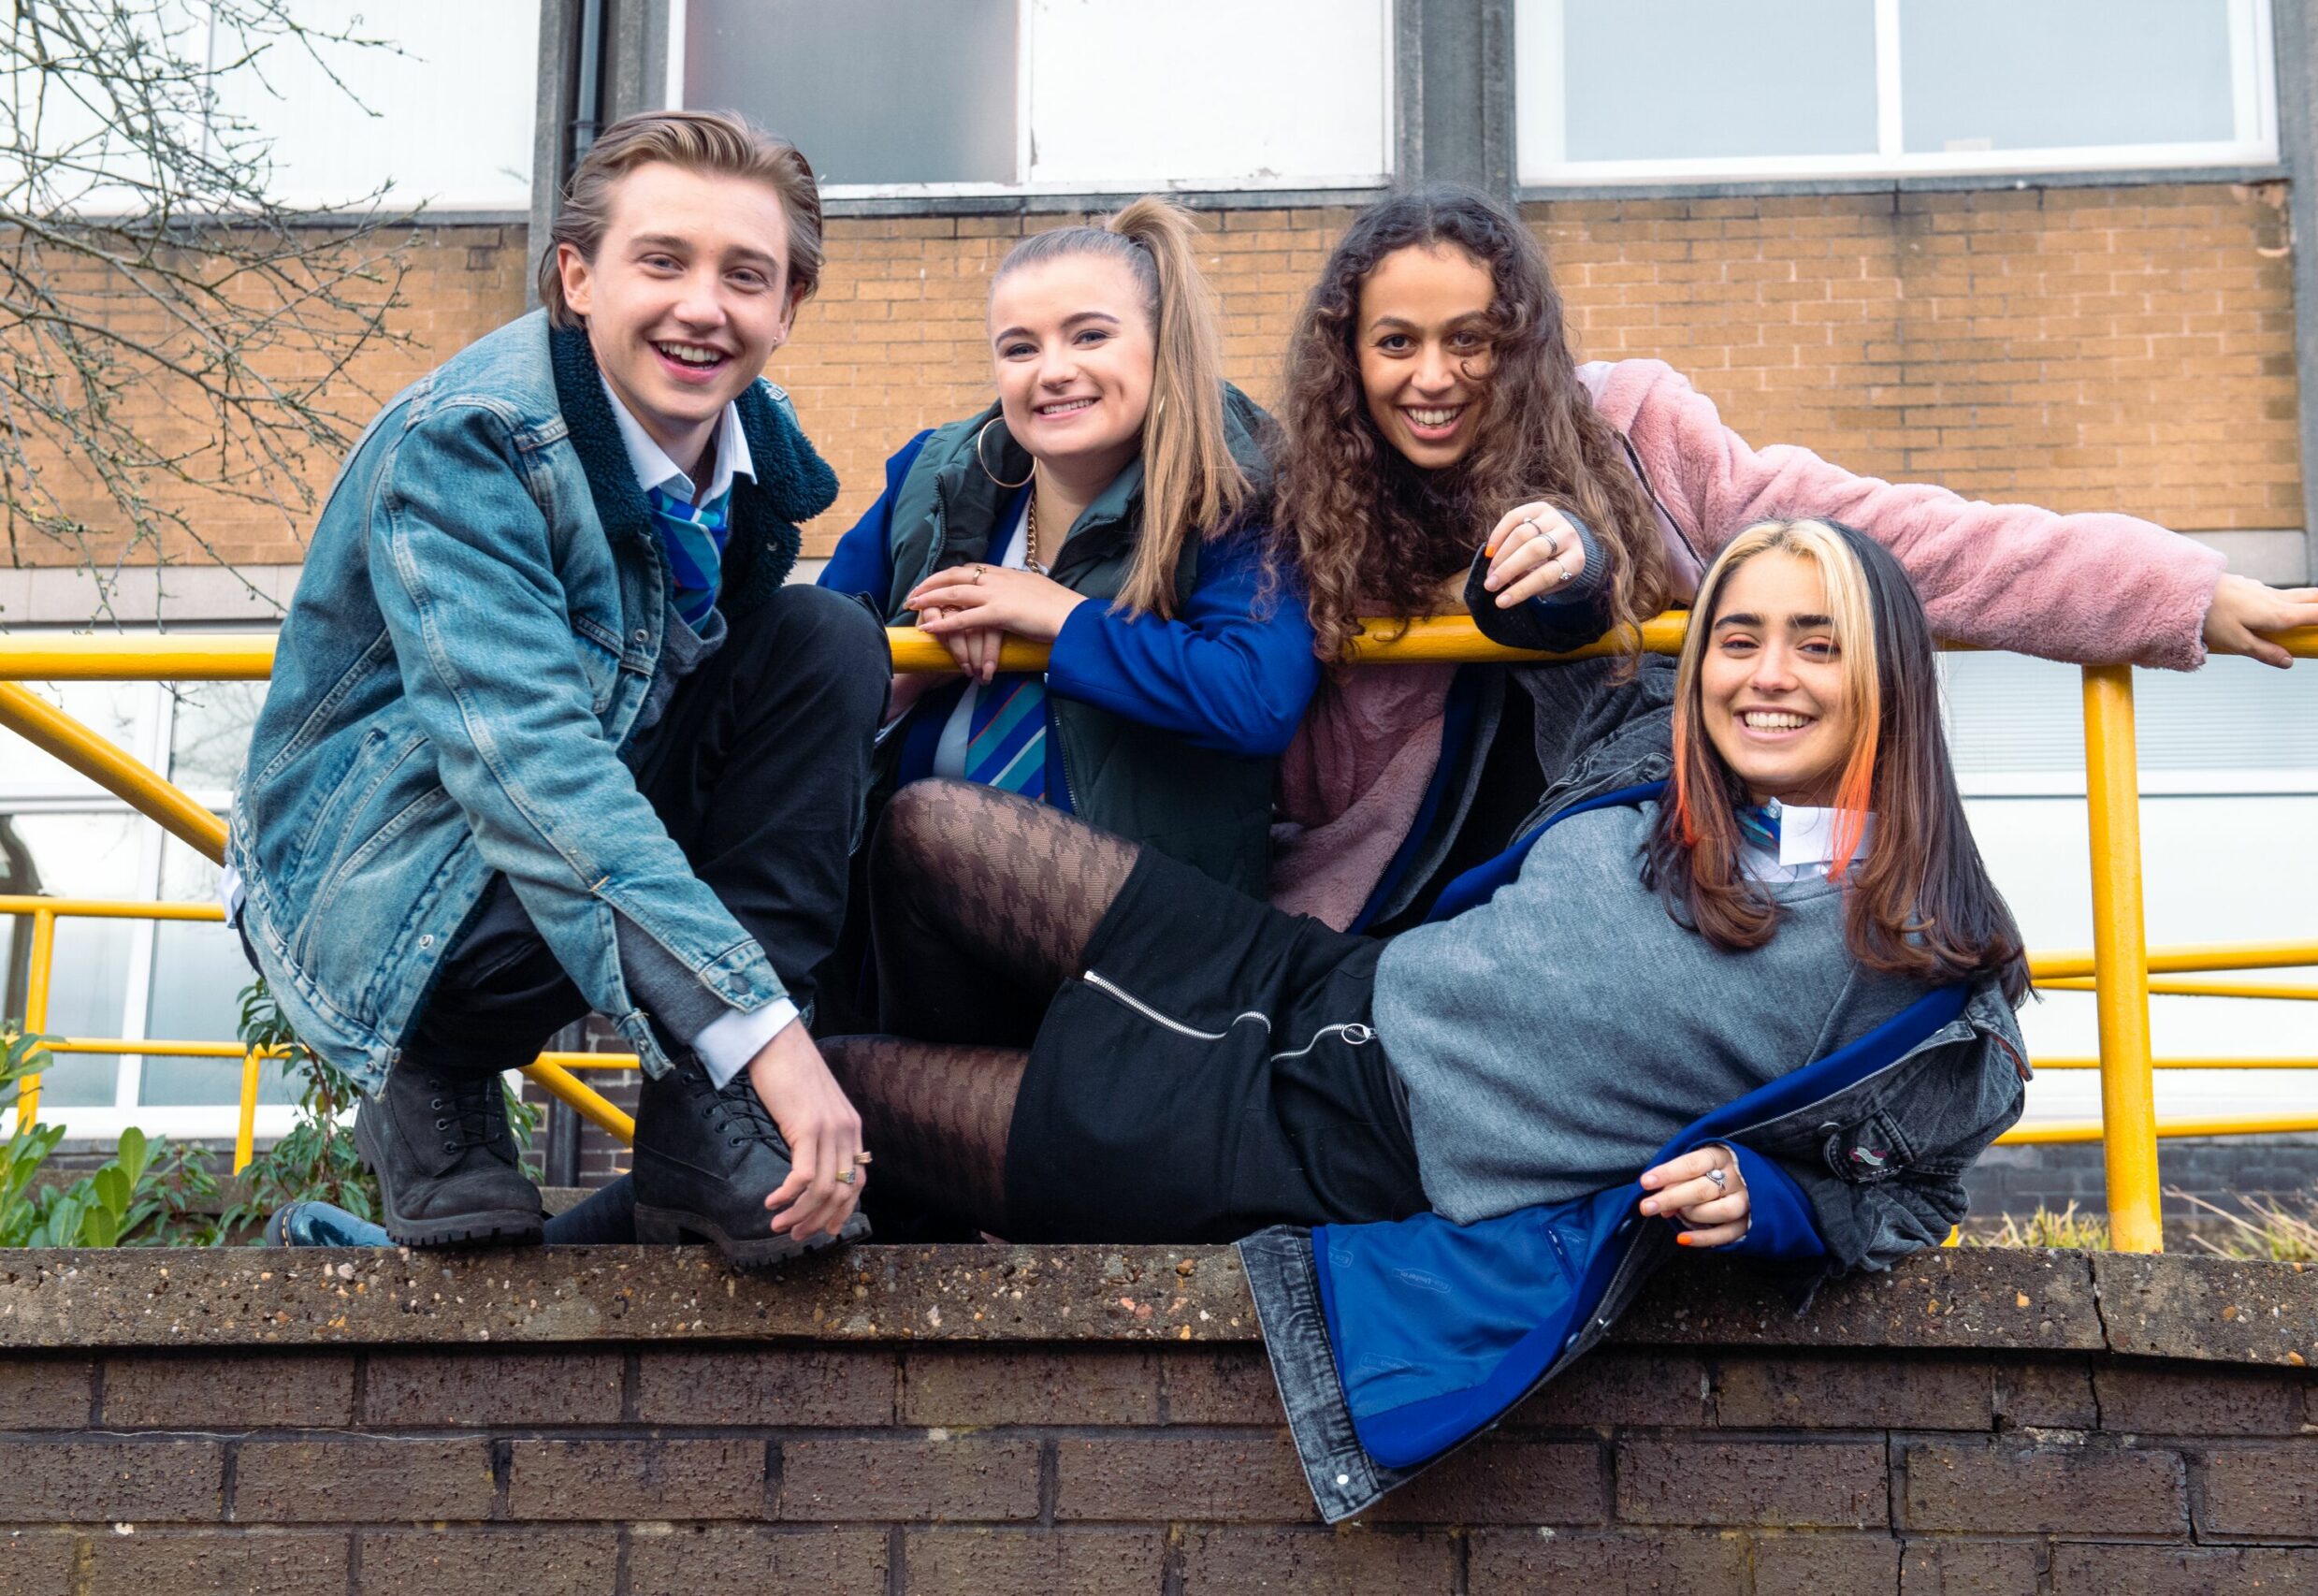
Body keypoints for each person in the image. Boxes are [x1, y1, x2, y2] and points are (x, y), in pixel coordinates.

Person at [813, 516, 2028, 1264]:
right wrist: (1572, 549)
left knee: (846, 1093)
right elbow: (1560, 620)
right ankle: (930, 1210)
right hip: (1320, 975)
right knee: (926, 830)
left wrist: (1774, 1201)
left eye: (1816, 642)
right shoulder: (1652, 756)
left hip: (1339, 1150)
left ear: (1885, 675)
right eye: (1738, 636)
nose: (1767, 675)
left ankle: (871, 1202)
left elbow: (1917, 1203)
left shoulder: (1912, 963)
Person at [1267, 185, 2318, 936]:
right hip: (1402, 922)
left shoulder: (1636, 433)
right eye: (1397, 342)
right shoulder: (1314, 514)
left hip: (1645, 902)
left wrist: (2176, 592)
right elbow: (1294, 770)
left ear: (1521, 339)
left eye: (1471, 338)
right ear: (1349, 355)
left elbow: (1902, 539)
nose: (1434, 375)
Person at [227, 110, 883, 1268]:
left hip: (557, 821)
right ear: (577, 277)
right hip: (390, 880)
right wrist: (773, 1041)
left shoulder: (746, 452)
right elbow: (528, 768)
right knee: (574, 797)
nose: (703, 307)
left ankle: (702, 1121)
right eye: (662, 260)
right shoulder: (472, 441)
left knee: (827, 641)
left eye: (746, 275)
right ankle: (429, 1064)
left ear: (787, 309)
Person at [818, 197, 1315, 921]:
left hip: (1141, 946)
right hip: (916, 931)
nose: (1052, 371)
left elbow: (1256, 698)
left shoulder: (1238, 482)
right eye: (1020, 348)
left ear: (1160, 342)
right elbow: (807, 684)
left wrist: (1060, 617)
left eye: (1089, 336)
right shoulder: (930, 481)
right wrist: (911, 673)